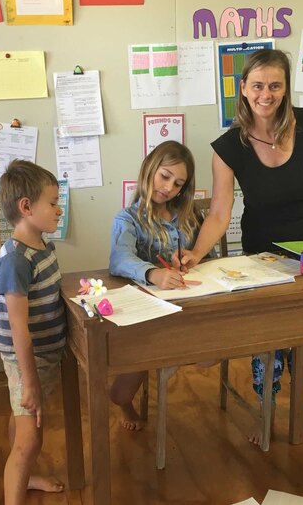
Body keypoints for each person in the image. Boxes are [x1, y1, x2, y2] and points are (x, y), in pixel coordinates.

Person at [179, 49, 303, 444]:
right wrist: (197, 253)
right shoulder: (229, 147)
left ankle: (301, 405)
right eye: (258, 86)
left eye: (275, 85)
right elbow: (219, 212)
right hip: (260, 253)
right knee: (265, 342)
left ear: (285, 89)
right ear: (244, 90)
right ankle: (265, 409)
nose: (266, 94)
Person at [108, 141, 200, 431]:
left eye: (178, 184)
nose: (169, 187)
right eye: (165, 176)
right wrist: (152, 273)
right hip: (145, 312)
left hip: (186, 304)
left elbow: (199, 252)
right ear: (149, 169)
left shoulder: (187, 217)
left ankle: (168, 358)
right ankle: (126, 404)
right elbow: (119, 258)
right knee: (120, 393)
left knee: (210, 355)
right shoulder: (128, 219)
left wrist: (190, 257)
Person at [0, 160, 66, 505]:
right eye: (52, 203)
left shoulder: (41, 245)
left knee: (20, 421)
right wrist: (32, 382)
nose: (59, 209)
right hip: (28, 357)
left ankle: (27, 478)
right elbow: (19, 329)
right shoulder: (16, 259)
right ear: (26, 207)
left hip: (44, 353)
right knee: (30, 439)